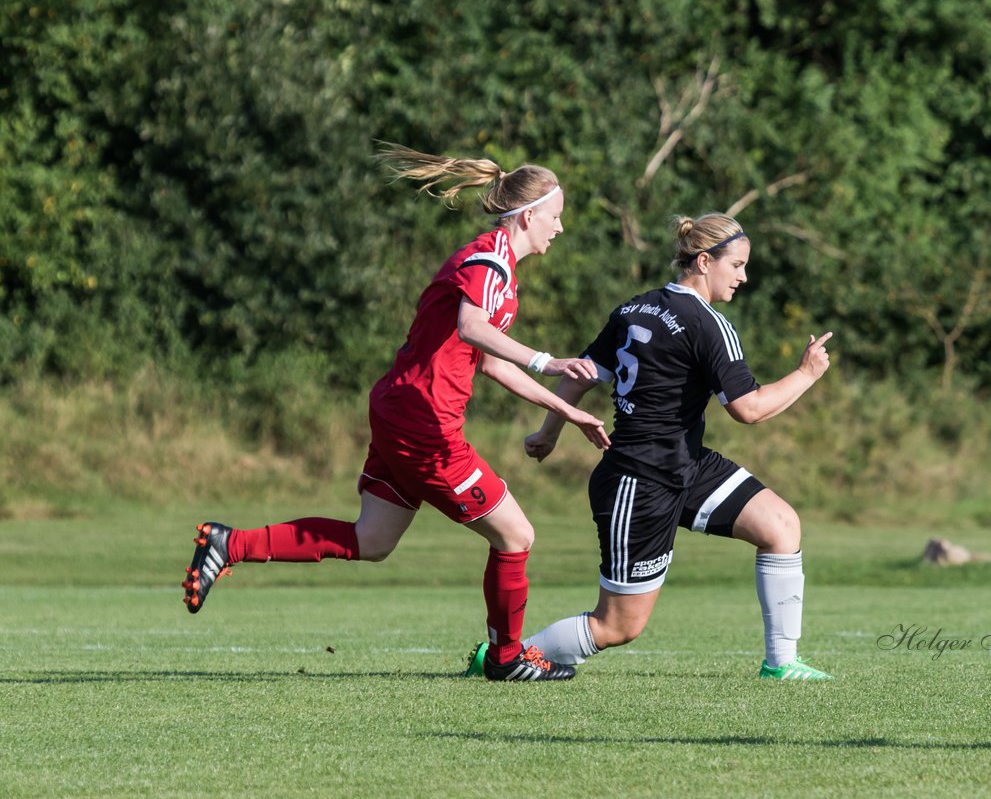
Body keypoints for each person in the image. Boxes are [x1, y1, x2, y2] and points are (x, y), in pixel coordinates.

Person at [183, 143, 610, 682]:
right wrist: (548, 362)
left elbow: (487, 362)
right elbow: (473, 328)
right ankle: (506, 659)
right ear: (529, 216)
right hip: (424, 424)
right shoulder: (489, 259)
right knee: (516, 536)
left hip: (400, 409)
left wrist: (561, 410)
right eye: (556, 216)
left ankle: (229, 543)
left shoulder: (503, 275)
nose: (561, 228)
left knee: (373, 540)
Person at [465, 212, 835, 681]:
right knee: (618, 626)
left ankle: (781, 666)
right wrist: (805, 375)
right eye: (737, 265)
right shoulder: (708, 324)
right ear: (704, 261)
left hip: (687, 465)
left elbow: (581, 377)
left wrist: (547, 433)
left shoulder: (634, 308)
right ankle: (503, 656)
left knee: (781, 525)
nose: (743, 276)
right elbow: (750, 409)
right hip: (639, 481)